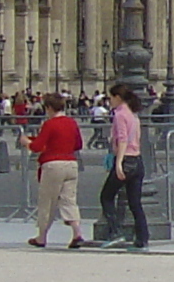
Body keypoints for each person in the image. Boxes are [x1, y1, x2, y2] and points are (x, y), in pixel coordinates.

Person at [26, 95, 87, 249]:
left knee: (47, 201)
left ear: (49, 108)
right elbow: (78, 144)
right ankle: (77, 233)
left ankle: (42, 237)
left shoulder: (50, 124)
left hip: (53, 164)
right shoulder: (72, 123)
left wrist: (27, 141)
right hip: (71, 163)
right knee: (69, 200)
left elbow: (37, 146)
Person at [96, 84, 148, 250]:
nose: (109, 101)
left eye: (111, 97)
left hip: (125, 160)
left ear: (118, 97)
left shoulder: (119, 115)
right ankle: (142, 239)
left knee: (106, 196)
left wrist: (118, 163)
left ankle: (115, 232)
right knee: (135, 203)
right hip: (137, 160)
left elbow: (122, 139)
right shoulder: (133, 114)